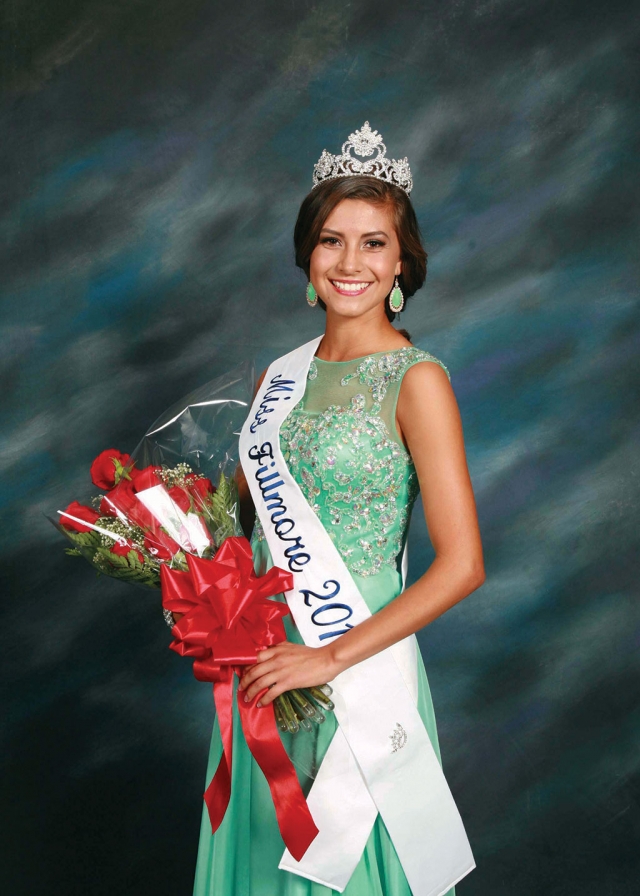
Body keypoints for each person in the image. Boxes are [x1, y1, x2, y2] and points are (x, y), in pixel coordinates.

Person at [192, 123, 485, 896]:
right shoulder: (276, 383)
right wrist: (193, 588)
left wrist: (324, 658)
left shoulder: (418, 381)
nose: (350, 264)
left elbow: (463, 565)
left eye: (373, 243)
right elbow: (237, 536)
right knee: (265, 853)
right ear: (307, 260)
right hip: (262, 667)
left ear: (400, 262)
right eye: (331, 241)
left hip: (352, 661)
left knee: (343, 868)